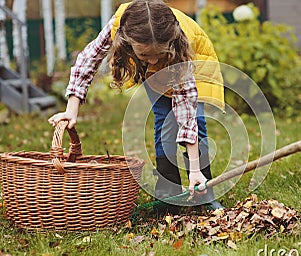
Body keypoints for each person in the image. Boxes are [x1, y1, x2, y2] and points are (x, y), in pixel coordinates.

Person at [48, 0, 225, 214]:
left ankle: (203, 191)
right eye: (144, 55)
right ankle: (169, 195)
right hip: (162, 70)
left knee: (195, 120)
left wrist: (194, 168)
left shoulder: (178, 45)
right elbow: (88, 60)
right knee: (164, 120)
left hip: (193, 64)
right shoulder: (119, 26)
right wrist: (71, 109)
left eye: (157, 55)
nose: (151, 61)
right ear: (127, 41)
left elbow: (185, 110)